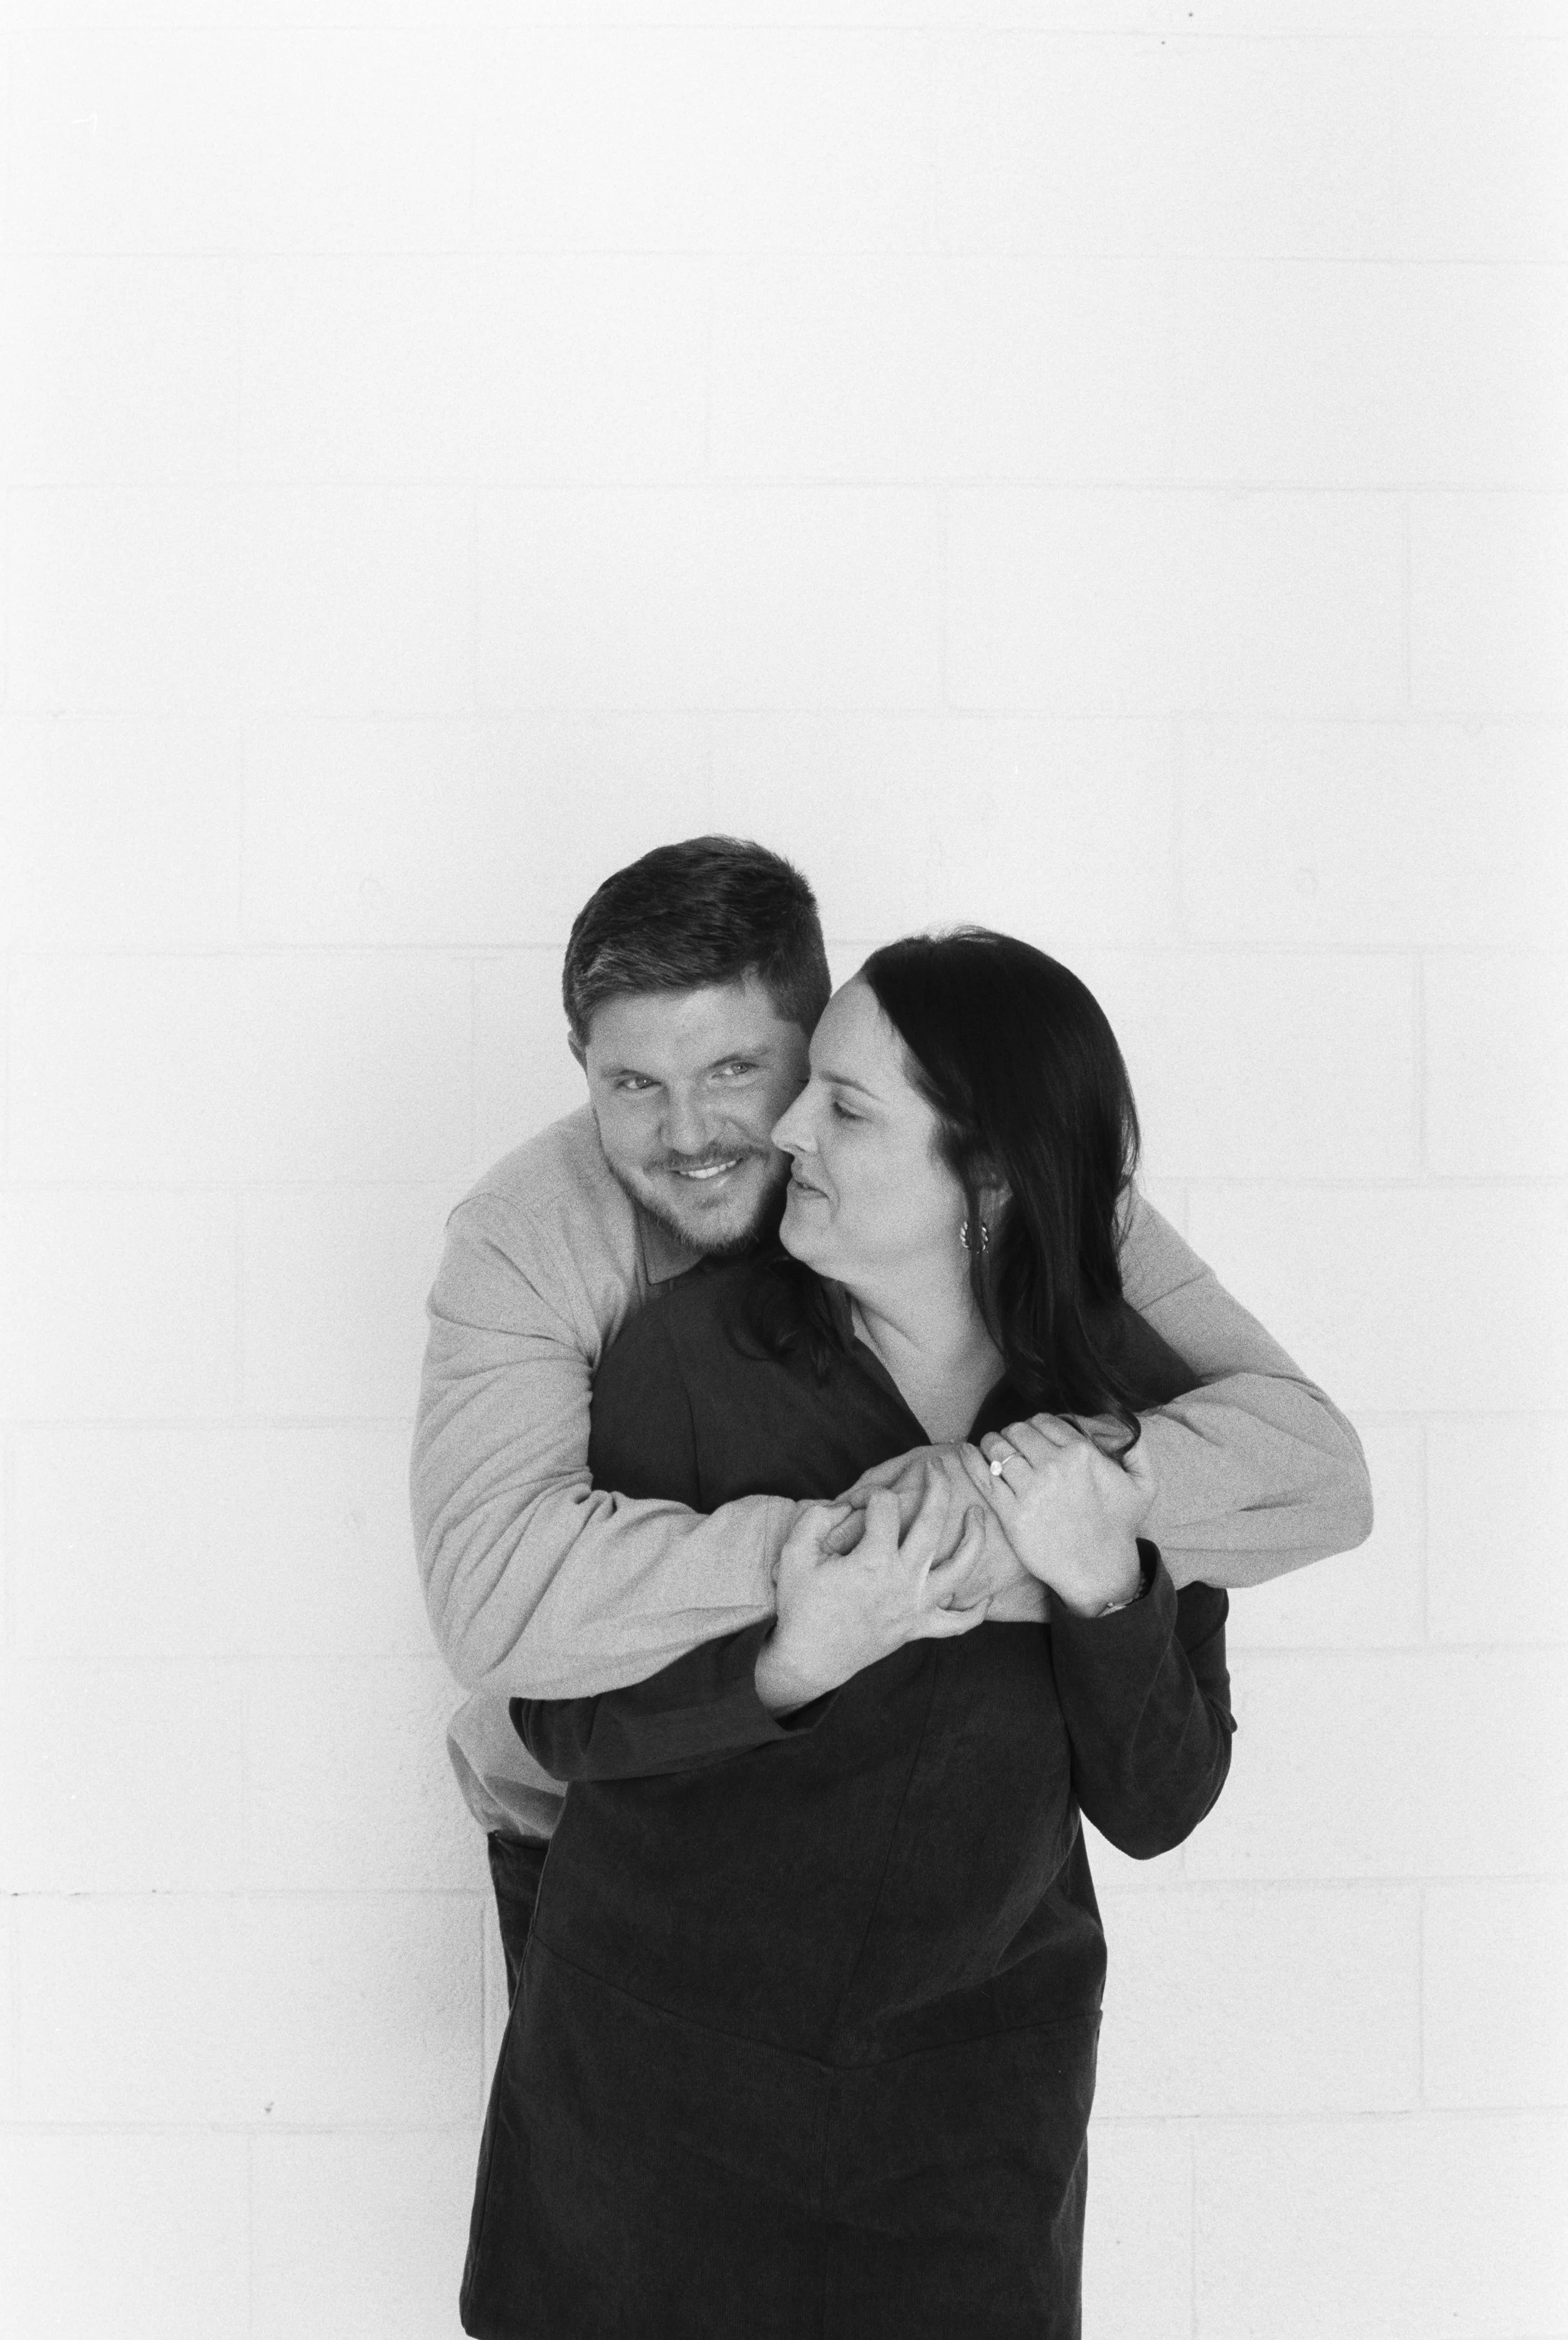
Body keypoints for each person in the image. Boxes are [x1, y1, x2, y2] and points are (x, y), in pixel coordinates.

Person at [411, 837, 1373, 1994]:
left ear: (820, 1047)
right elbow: (494, 1595)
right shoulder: (526, 1232)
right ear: (582, 1067)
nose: (690, 1133)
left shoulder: (992, 1171)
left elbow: (1313, 1469)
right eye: (632, 1084)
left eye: (732, 1070)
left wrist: (990, 1493)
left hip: (932, 1892)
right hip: (601, 1829)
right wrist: (866, 1550)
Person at [458, 932, 1237, 2337]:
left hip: (966, 2120)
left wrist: (1103, 1587)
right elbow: (557, 1718)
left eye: (846, 1108)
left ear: (987, 1174)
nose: (785, 1133)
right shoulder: (682, 1359)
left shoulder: (1127, 1410)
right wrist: (786, 1660)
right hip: (652, 2103)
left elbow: (1157, 1798)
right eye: (806, 1084)